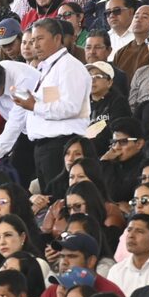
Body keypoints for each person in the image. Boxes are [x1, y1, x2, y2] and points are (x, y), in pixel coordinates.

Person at [11, 19, 92, 187]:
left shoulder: (69, 67)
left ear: (57, 39)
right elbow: (54, 102)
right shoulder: (49, 67)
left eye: (40, 39)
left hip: (61, 145)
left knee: (60, 200)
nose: (35, 45)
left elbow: (70, 107)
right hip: (44, 147)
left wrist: (34, 106)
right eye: (32, 41)